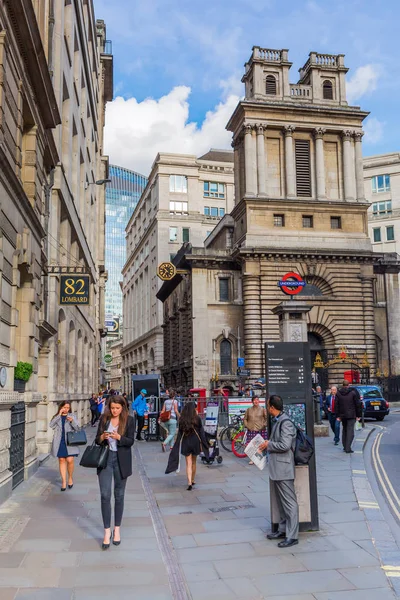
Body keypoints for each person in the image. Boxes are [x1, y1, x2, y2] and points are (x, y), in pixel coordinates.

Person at [259, 395, 299, 548]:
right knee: (281, 503)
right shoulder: (278, 421)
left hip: (284, 468)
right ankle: (282, 530)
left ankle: (292, 535)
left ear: (272, 408)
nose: (267, 408)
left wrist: (269, 444)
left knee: (289, 503)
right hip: (277, 468)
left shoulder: (286, 423)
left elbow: (285, 445)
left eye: (267, 405)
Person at [96, 395, 135, 550]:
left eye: (117, 408)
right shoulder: (104, 419)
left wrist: (119, 437)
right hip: (106, 459)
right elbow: (96, 441)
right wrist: (102, 436)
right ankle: (106, 531)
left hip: (121, 460)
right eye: (112, 408)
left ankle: (116, 529)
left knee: (119, 495)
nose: (114, 411)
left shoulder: (129, 420)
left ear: (123, 408)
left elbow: (131, 441)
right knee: (105, 495)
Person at [165, 402, 208, 490]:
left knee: (188, 463)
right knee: (194, 462)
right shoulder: (197, 419)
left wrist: (176, 445)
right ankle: (192, 479)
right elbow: (202, 433)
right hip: (195, 441)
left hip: (186, 442)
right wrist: (205, 444)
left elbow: (179, 434)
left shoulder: (182, 420)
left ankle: (189, 482)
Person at [50, 401, 80, 491]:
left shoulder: (72, 416)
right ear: (61, 407)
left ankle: (70, 477)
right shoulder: (57, 417)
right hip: (59, 441)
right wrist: (59, 415)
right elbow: (51, 425)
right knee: (62, 460)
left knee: (70, 460)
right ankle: (63, 481)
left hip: (69, 441)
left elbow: (78, 428)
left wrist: (72, 422)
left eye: (68, 407)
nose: (66, 409)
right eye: (65, 407)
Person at [335, 380, 362, 453]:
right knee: (350, 432)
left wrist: (337, 415)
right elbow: (357, 405)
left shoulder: (338, 393)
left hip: (342, 415)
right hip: (351, 415)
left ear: (342, 385)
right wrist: (358, 415)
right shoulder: (353, 393)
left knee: (344, 430)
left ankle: (344, 446)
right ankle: (348, 448)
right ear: (348, 385)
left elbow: (336, 405)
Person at [244, 396, 268, 465]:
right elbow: (245, 419)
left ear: (259, 401)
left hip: (260, 430)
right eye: (254, 400)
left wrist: (264, 425)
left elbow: (266, 419)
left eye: (257, 400)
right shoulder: (249, 410)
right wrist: (247, 425)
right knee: (251, 445)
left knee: (261, 445)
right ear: (252, 401)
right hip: (251, 429)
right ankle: (252, 459)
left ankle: (260, 458)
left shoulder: (262, 409)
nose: (256, 401)